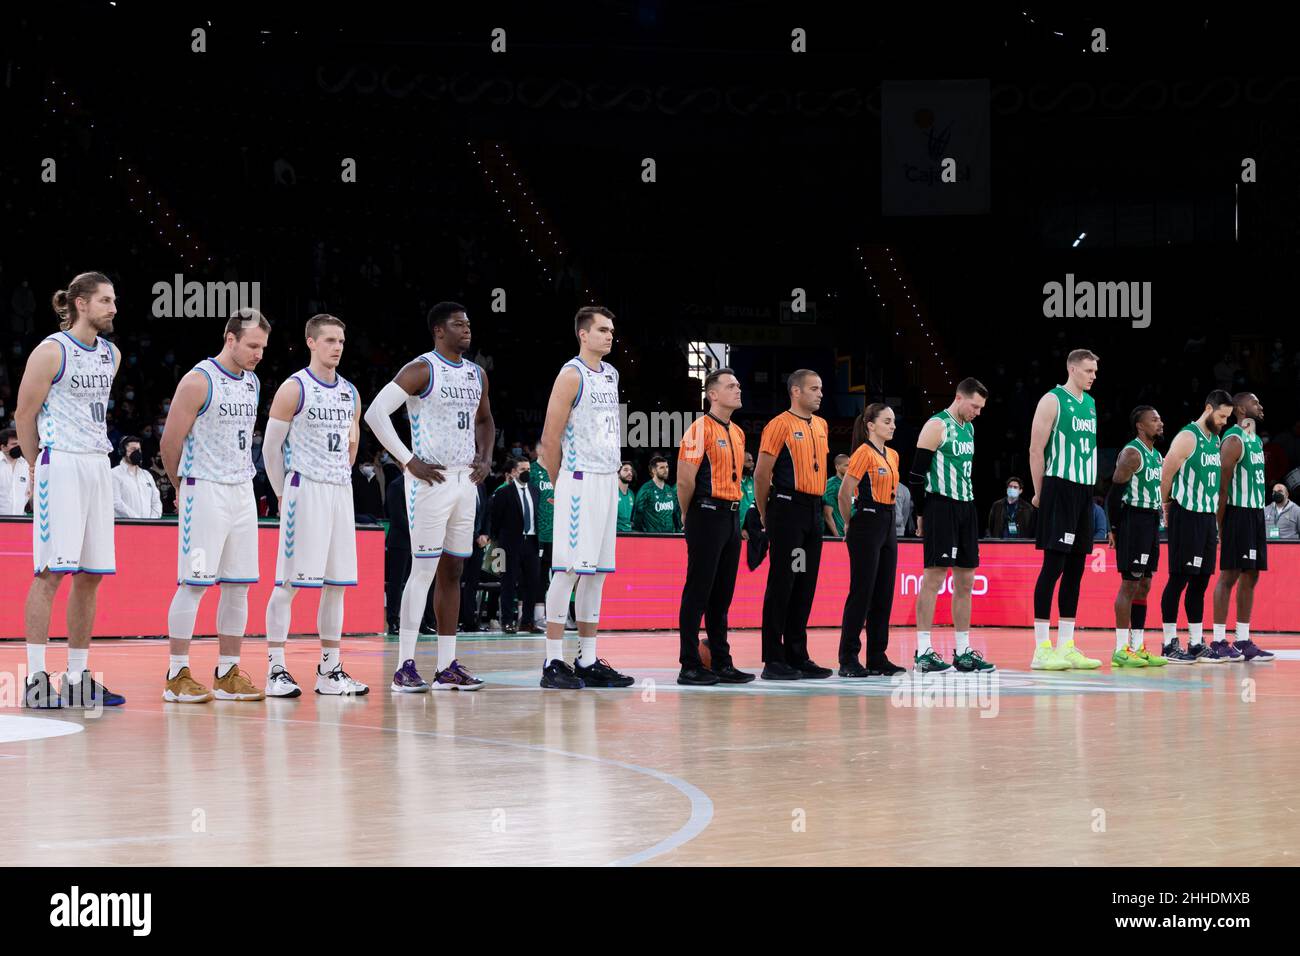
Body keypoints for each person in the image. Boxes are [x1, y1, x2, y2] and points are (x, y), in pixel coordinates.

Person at [364, 301, 494, 691]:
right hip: (429, 480)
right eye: (459, 324)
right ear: (439, 330)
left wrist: (485, 459)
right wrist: (406, 460)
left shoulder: (476, 374)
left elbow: (485, 420)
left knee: (453, 570)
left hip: (464, 481)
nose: (467, 329)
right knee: (422, 570)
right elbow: (375, 413)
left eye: (469, 323)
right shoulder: (422, 368)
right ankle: (404, 665)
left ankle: (446, 665)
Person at [15, 272, 126, 708]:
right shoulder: (50, 351)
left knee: (92, 574)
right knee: (50, 572)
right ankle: (36, 681)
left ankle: (78, 678)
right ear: (80, 303)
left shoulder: (112, 355)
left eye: (114, 299)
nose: (113, 307)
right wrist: (35, 465)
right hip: (59, 462)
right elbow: (25, 414)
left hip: (98, 464)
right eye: (105, 300)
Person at [159, 310, 270, 703]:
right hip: (204, 489)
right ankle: (176, 675)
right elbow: (169, 443)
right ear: (231, 339)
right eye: (253, 345)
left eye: (263, 347)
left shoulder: (253, 382)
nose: (259, 354)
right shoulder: (198, 380)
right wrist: (182, 486)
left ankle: (227, 672)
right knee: (195, 583)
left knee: (239, 586)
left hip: (241, 490)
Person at [259, 314, 369, 697]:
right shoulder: (294, 388)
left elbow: (353, 445)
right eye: (329, 340)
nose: (337, 347)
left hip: (339, 490)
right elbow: (270, 449)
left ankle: (330, 670)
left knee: (336, 585)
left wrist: (340, 472)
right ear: (310, 342)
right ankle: (276, 668)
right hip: (303, 488)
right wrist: (282, 492)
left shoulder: (351, 393)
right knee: (289, 582)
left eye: (341, 340)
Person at [535, 306, 635, 689]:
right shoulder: (570, 374)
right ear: (583, 334)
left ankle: (588, 658)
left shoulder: (610, 374)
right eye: (603, 330)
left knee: (597, 574)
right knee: (568, 569)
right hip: (578, 480)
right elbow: (550, 437)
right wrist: (562, 483)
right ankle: (552, 661)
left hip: (607, 478)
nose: (610, 336)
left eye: (612, 330)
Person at [908, 377, 996, 673]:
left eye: (981, 408)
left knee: (966, 580)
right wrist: (921, 515)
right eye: (975, 406)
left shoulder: (969, 428)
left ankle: (963, 651)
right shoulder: (936, 425)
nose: (978, 412)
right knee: (933, 577)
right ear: (959, 398)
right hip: (940, 506)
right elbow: (916, 476)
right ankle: (923, 651)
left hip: (965, 507)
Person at [674, 368, 753, 685]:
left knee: (722, 595)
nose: (738, 389)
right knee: (698, 591)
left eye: (738, 384)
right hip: (705, 512)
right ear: (713, 394)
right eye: (731, 385)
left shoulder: (737, 432)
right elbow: (684, 480)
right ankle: (689, 664)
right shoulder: (698, 429)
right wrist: (687, 513)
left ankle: (721, 661)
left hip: (731, 516)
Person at [753, 369, 833, 680]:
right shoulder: (779, 424)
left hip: (812, 511)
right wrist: (764, 513)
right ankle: (773, 658)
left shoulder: (822, 425)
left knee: (804, 583)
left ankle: (797, 654)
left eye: (821, 388)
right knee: (783, 582)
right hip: (787, 509)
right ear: (795, 392)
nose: (820, 393)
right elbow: (762, 474)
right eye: (814, 388)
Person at [1028, 349, 1103, 671]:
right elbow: (1036, 448)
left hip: (1084, 492)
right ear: (1072, 368)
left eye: (1095, 371)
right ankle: (1041, 648)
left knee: (1075, 569)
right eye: (1088, 370)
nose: (1093, 376)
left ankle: (1067, 644)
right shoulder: (1052, 400)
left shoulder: (1090, 403)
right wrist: (1039, 492)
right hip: (1058, 486)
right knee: (1053, 566)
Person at [1158, 390, 1234, 663]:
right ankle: (1168, 643)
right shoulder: (1187, 436)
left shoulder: (1215, 439)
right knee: (1179, 578)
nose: (1225, 421)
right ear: (1208, 408)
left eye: (1228, 417)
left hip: (1205, 519)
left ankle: (1196, 642)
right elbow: (1166, 473)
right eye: (1222, 415)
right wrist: (1165, 506)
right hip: (1185, 514)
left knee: (1201, 582)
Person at [837, 404, 904, 677]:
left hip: (888, 522)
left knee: (883, 593)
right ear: (870, 425)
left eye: (893, 421)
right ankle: (848, 658)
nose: (893, 426)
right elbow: (844, 494)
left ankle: (877, 656)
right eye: (887, 421)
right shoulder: (863, 453)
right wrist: (850, 523)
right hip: (867, 520)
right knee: (862, 592)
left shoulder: (893, 454)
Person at [1211, 392, 1275, 662]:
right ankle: (1216, 640)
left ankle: (1243, 638)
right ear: (1239, 408)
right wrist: (1220, 524)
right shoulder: (1234, 440)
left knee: (1251, 575)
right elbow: (1222, 487)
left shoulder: (1256, 440)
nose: (1260, 406)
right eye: (1255, 402)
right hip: (1236, 513)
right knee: (1229, 575)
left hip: (1255, 514)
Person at [1106, 405, 1167, 667]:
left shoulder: (1157, 455)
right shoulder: (1132, 453)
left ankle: (1137, 645)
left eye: (1160, 418)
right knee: (1130, 583)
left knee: (1145, 583)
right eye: (1154, 419)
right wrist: (1114, 529)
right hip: (1133, 520)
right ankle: (1120, 648)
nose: (1160, 422)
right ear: (1141, 426)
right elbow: (1113, 494)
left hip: (1151, 521)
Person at [490, 457, 543, 633]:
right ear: (513, 472)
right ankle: (507, 621)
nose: (527, 472)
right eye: (522, 469)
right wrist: (500, 542)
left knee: (532, 583)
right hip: (510, 543)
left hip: (532, 542)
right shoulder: (504, 492)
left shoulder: (535, 491)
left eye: (528, 468)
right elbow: (495, 520)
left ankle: (527, 621)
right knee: (509, 583)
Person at [111, 435, 162, 519]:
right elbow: (116, 502)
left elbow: (156, 500)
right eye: (133, 449)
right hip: (125, 527)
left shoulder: (147, 475)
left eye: (139, 450)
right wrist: (136, 520)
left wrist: (153, 520)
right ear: (123, 451)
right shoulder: (114, 474)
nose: (137, 453)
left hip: (149, 527)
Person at [633, 454, 681, 532]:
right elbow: (638, 514)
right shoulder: (646, 490)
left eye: (667, 467)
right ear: (654, 470)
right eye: (662, 468)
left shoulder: (670, 490)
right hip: (653, 537)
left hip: (670, 538)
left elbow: (676, 513)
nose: (666, 470)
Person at [0, 427, 32, 515]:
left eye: (19, 444)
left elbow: (28, 493)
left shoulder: (26, 465)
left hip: (19, 521)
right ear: (3, 447)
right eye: (14, 444)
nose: (18, 447)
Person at [823, 454, 849, 537]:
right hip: (840, 535)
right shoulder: (831, 484)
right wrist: (837, 537)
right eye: (846, 465)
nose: (849, 468)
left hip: (852, 535)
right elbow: (827, 514)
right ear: (837, 467)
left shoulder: (851, 484)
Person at [616, 461, 635, 532]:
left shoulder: (631, 494)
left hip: (628, 533)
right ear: (618, 473)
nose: (630, 473)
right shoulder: (612, 492)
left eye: (631, 470)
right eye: (625, 470)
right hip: (615, 533)